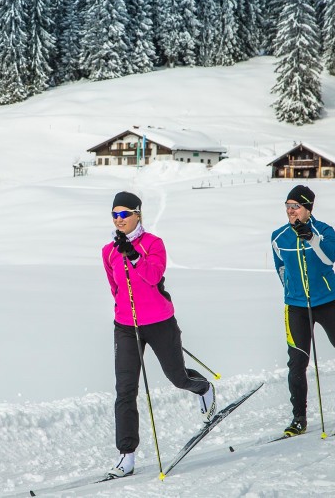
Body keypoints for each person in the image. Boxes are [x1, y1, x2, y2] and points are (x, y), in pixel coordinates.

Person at [102, 191, 215, 478]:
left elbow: (153, 276)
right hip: (126, 327)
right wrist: (123, 310)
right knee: (125, 389)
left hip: (160, 322)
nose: (119, 219)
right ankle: (126, 455)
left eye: (124, 213)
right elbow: (115, 288)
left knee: (177, 377)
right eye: (115, 214)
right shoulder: (109, 250)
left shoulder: (153, 243)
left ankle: (203, 388)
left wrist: (135, 256)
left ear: (138, 214)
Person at [271, 185, 335, 437]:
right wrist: (292, 291)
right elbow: (281, 268)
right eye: (287, 206)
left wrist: (311, 239)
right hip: (296, 307)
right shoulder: (278, 237)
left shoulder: (325, 232)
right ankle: (299, 418)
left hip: (327, 301)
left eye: (295, 206)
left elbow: (329, 259)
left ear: (308, 208)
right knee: (297, 362)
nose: (290, 211)